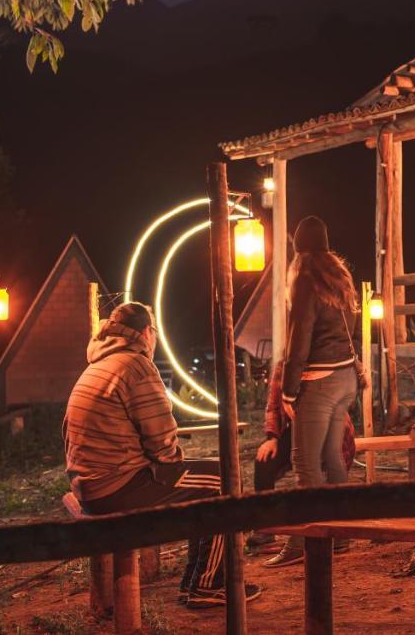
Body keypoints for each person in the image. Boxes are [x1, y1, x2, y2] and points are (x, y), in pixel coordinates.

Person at [63, 302, 261, 608]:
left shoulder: (98, 364)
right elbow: (161, 441)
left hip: (89, 485)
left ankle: (194, 582)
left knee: (205, 478)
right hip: (116, 487)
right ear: (146, 332)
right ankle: (209, 585)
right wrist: (174, 465)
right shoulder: (136, 365)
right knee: (224, 480)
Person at [265, 216, 362, 568]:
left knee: (304, 462)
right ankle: (340, 537)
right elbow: (348, 329)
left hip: (319, 383)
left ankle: (299, 544)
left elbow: (299, 341)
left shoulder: (305, 280)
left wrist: (288, 393)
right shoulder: (341, 279)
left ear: (298, 250)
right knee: (332, 458)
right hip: (344, 380)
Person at [247, 357, 357, 552]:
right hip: (297, 427)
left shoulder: (326, 359)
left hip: (329, 427)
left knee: (326, 467)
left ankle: (335, 535)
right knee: (264, 461)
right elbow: (273, 404)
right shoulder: (284, 364)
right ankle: (265, 529)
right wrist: (271, 437)